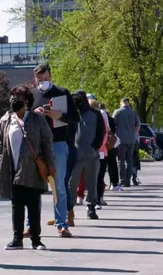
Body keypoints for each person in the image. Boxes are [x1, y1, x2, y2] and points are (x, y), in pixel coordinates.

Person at [0, 84, 55, 250]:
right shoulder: (6, 119)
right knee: (17, 204)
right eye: (12, 98)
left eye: (18, 98)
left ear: (27, 101)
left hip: (33, 168)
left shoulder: (37, 119)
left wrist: (50, 163)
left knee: (33, 203)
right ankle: (17, 238)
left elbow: (47, 142)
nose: (14, 101)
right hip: (12, 168)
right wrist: (0, 160)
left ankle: (36, 239)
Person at [32, 63, 79, 237]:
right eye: (39, 79)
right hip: (36, 145)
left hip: (58, 143)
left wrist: (60, 116)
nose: (43, 82)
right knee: (34, 186)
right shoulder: (32, 94)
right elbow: (24, 117)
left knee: (58, 186)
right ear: (35, 79)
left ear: (50, 77)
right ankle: (31, 226)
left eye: (45, 78)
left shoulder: (62, 92)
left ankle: (62, 223)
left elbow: (75, 117)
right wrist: (34, 113)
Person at [67, 91, 106, 220]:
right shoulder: (72, 114)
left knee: (92, 183)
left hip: (91, 155)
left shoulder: (95, 114)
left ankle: (91, 207)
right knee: (72, 184)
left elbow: (102, 131)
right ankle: (69, 209)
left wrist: (95, 146)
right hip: (74, 155)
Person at [112, 98, 141, 187]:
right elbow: (138, 126)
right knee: (130, 160)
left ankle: (123, 180)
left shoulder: (117, 112)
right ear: (128, 103)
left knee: (121, 160)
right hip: (131, 139)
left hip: (121, 140)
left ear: (121, 103)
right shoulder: (133, 113)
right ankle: (128, 180)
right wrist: (133, 134)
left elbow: (112, 124)